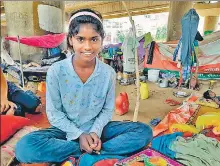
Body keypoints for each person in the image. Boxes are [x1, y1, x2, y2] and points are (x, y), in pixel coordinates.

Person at [15, 9, 153, 165]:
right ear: (71, 40)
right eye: (81, 39)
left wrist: (94, 132)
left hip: (99, 130)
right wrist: (79, 135)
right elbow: (54, 113)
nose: (88, 46)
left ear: (102, 40)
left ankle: (88, 154)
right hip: (65, 132)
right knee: (24, 148)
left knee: (144, 132)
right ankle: (93, 153)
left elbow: (107, 110)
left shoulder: (108, 73)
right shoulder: (57, 71)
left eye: (94, 39)